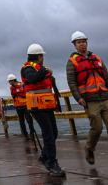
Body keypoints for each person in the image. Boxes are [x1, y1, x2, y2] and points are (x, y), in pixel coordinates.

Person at [66, 31, 108, 169]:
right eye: (79, 42)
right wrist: (78, 97)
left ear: (87, 43)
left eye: (83, 41)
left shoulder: (97, 58)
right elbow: (71, 82)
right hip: (90, 100)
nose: (82, 43)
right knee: (97, 128)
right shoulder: (72, 62)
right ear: (75, 45)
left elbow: (107, 76)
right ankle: (89, 148)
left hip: (105, 98)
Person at [21, 44, 65, 177]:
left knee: (54, 133)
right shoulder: (28, 68)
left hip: (46, 106)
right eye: (42, 56)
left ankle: (44, 156)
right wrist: (45, 70)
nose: (43, 59)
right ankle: (52, 163)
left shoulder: (38, 68)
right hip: (36, 106)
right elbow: (32, 79)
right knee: (48, 135)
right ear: (39, 57)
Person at [8, 74, 35, 141]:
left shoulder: (22, 85)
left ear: (12, 80)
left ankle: (32, 134)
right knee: (21, 121)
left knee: (29, 120)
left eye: (9, 81)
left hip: (25, 105)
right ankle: (25, 135)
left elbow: (28, 93)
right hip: (17, 106)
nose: (9, 82)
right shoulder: (11, 88)